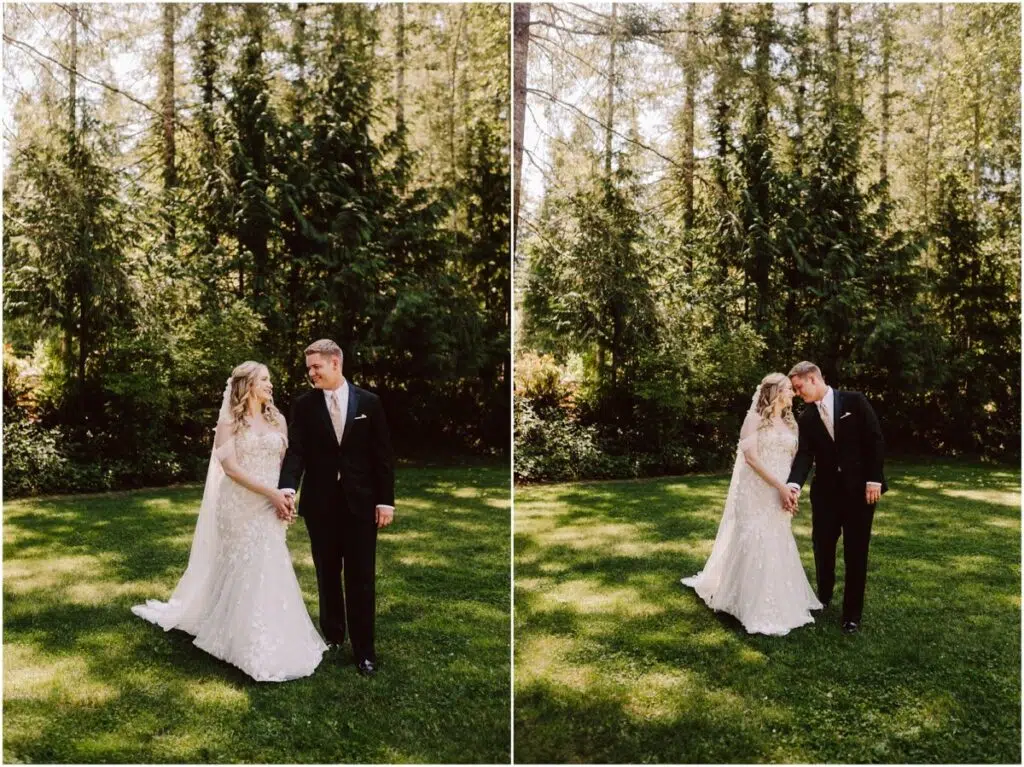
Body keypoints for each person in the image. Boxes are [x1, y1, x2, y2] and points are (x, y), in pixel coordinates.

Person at [133, 361, 327, 681]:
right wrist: (271, 493)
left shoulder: (277, 419)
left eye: (269, 379)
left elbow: (287, 464)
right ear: (247, 385)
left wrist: (284, 496)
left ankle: (270, 633)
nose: (270, 384)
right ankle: (235, 634)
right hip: (238, 504)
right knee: (244, 563)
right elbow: (232, 469)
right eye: (264, 379)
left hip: (270, 502)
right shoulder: (228, 422)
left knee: (269, 562)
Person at [279, 339, 395, 677]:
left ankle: (365, 651)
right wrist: (287, 486)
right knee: (326, 573)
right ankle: (332, 636)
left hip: (362, 505)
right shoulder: (304, 405)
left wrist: (385, 501)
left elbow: (382, 455)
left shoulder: (369, 402)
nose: (311, 373)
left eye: (316, 367)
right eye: (309, 368)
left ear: (335, 363)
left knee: (361, 578)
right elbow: (297, 450)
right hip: (321, 505)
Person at [682, 373, 822, 636]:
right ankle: (746, 602)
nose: (793, 393)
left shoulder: (790, 423)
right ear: (775, 392)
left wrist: (791, 490)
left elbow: (796, 460)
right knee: (756, 537)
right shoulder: (754, 419)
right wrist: (779, 487)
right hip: (757, 490)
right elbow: (752, 459)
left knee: (778, 537)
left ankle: (781, 599)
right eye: (788, 389)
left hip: (781, 489)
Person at [784, 361, 887, 634]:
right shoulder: (806, 417)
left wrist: (874, 479)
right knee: (822, 547)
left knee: (856, 551)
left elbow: (875, 440)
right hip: (825, 494)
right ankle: (824, 597)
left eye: (799, 387)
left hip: (860, 492)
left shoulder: (855, 401)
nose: (797, 393)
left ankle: (852, 614)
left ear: (813, 378)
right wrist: (793, 484)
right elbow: (804, 455)